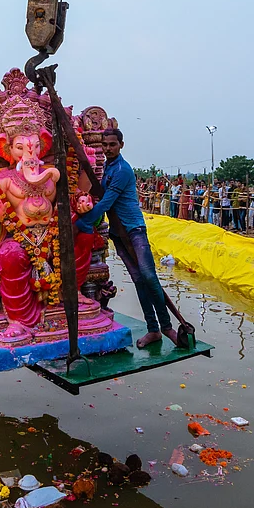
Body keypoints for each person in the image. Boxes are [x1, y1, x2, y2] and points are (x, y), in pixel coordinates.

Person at [76, 129, 176, 348]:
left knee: (149, 277)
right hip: (119, 235)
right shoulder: (109, 168)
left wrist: (84, 222)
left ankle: (167, 327)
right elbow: (98, 194)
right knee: (139, 281)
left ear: (121, 145)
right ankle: (154, 330)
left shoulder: (122, 170)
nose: (109, 148)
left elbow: (106, 202)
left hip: (134, 230)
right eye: (105, 145)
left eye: (113, 144)